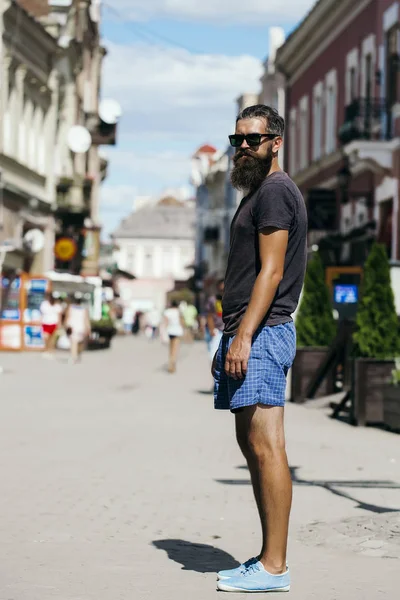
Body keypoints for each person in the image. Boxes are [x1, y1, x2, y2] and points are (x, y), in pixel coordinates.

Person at [213, 105, 307, 593]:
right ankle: (269, 557)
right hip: (249, 330)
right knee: (253, 445)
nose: (244, 147)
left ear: (276, 141)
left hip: (263, 332)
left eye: (254, 139)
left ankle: (275, 567)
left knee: (267, 447)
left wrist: (245, 335)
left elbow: (270, 273)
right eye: (238, 139)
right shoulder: (259, 193)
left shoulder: (273, 193)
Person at [65, 296, 91, 364]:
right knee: (78, 342)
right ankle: (76, 355)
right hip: (81, 327)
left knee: (74, 343)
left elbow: (67, 317)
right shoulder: (84, 309)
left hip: (72, 327)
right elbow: (86, 320)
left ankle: (74, 357)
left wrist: (66, 326)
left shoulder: (70, 307)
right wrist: (88, 328)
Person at [162, 300, 184, 373]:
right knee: (175, 349)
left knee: (170, 349)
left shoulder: (167, 312)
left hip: (170, 331)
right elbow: (182, 322)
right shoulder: (179, 312)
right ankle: (173, 364)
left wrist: (163, 332)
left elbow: (165, 322)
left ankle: (170, 364)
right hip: (177, 331)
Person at [206, 279, 225, 365]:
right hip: (217, 330)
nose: (222, 292)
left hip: (228, 329)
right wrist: (211, 329)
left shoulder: (230, 299)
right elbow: (209, 315)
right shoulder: (212, 300)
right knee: (214, 355)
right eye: (221, 290)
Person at [40, 293, 62, 358]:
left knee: (52, 339)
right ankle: (46, 349)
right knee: (46, 337)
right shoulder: (44, 304)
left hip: (54, 323)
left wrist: (59, 324)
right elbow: (42, 313)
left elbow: (59, 315)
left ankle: (51, 350)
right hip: (45, 322)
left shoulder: (57, 305)